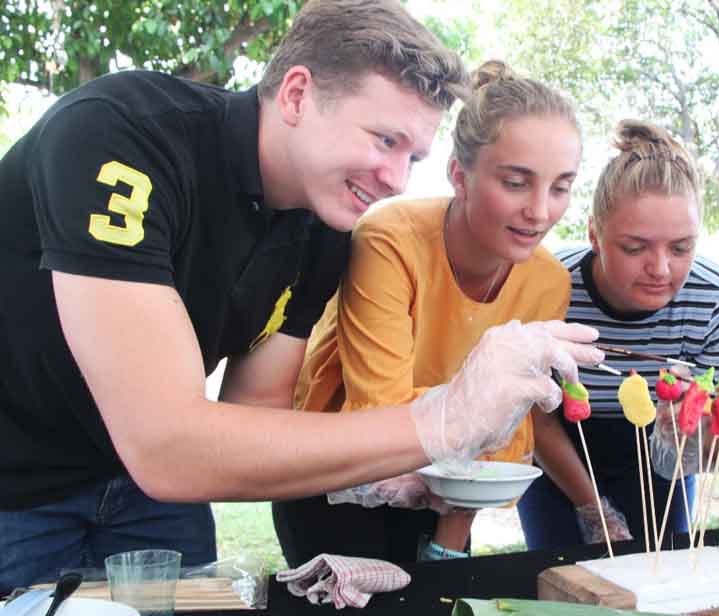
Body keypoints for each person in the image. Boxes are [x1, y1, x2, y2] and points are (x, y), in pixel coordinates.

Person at [0, 0, 603, 595]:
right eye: (384, 140)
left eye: (412, 156)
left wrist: (393, 473)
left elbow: (256, 416)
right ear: (296, 94)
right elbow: (166, 443)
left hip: (152, 499)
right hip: (18, 484)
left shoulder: (324, 230)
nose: (397, 178)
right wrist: (443, 421)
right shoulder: (124, 135)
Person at [274, 60, 583, 566]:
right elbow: (382, 406)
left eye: (561, 187)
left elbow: (502, 431)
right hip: (334, 480)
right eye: (516, 183)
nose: (541, 211)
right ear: (460, 174)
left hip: (452, 495)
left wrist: (449, 541)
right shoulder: (389, 241)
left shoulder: (549, 281)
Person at [517, 120, 719, 550]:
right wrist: (591, 507)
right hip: (557, 455)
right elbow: (536, 416)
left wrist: (689, 433)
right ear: (594, 235)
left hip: (663, 462)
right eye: (634, 248)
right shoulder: (548, 287)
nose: (660, 269)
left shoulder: (716, 299)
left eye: (680, 248)